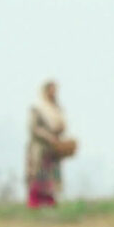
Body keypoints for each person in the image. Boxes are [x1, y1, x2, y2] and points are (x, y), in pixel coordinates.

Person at [23, 81, 76, 209]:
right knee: (38, 174)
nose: (54, 93)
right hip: (40, 147)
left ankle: (49, 200)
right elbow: (33, 128)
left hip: (54, 147)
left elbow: (61, 125)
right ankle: (34, 202)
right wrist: (48, 136)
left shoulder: (56, 108)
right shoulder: (38, 107)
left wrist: (60, 130)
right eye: (52, 90)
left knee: (52, 175)